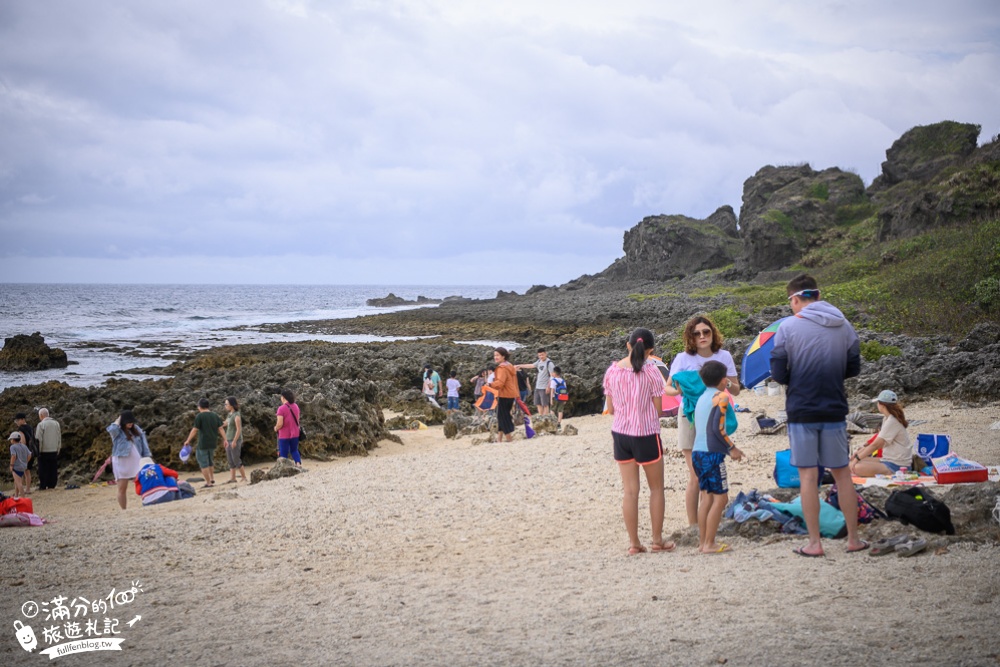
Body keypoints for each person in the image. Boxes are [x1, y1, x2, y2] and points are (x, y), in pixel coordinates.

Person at [770, 274, 866, 557]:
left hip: (801, 410)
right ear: (819, 295)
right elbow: (853, 367)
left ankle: (815, 543)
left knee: (808, 476)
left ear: (795, 299)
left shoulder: (787, 328)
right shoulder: (844, 326)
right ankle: (853, 540)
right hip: (834, 407)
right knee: (842, 475)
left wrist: (796, 376)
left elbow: (777, 373)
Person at [602, 328, 675, 556]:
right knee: (656, 489)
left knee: (630, 491)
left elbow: (610, 409)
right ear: (651, 350)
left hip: (621, 434)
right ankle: (656, 540)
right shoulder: (653, 372)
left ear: (628, 345)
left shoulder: (612, 372)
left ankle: (634, 544)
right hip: (646, 433)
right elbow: (659, 409)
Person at [664, 316, 740, 528]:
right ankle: (694, 526)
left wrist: (727, 385)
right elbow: (667, 387)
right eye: (697, 333)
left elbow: (737, 388)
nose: (702, 336)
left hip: (715, 416)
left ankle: (709, 522)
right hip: (688, 417)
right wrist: (678, 390)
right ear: (691, 336)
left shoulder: (723, 356)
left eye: (706, 332)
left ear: (713, 332)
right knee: (695, 475)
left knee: (712, 471)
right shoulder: (682, 358)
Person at [692, 361, 745, 554]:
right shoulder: (721, 397)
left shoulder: (701, 398)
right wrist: (732, 448)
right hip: (712, 454)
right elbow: (718, 428)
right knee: (720, 499)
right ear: (723, 380)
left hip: (697, 452)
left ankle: (702, 542)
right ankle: (710, 543)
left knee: (706, 498)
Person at [849, 390, 913, 477]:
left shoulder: (892, 421)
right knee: (851, 463)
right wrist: (858, 454)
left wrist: (857, 458)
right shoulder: (887, 419)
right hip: (888, 460)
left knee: (854, 467)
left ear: (882, 405)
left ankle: (890, 472)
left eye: (878, 403)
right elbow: (875, 443)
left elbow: (876, 445)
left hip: (897, 465)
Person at [107, 410, 153, 509]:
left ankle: (147, 504)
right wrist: (118, 420)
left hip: (137, 461)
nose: (130, 423)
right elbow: (111, 430)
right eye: (128, 421)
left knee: (146, 482)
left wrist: (147, 457)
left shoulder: (136, 429)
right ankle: (124, 510)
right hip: (121, 462)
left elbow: (144, 443)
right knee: (122, 488)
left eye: (131, 421)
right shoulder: (117, 430)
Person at [182, 398, 227, 488]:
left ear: (200, 407)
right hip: (212, 442)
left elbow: (195, 430)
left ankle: (208, 483)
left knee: (203, 463)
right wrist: (225, 439)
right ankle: (212, 478)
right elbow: (221, 428)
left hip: (203, 443)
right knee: (210, 461)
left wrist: (188, 440)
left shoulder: (200, 416)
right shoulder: (214, 415)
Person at [488, 348, 518, 443]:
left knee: (503, 417)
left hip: (504, 394)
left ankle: (509, 439)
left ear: (503, 356)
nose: (495, 357)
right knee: (503, 415)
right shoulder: (509, 366)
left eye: (497, 355)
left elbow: (500, 383)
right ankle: (499, 439)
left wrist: (490, 385)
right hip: (511, 394)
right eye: (494, 355)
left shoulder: (502, 368)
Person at [517, 348, 556, 416]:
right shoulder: (539, 361)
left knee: (545, 404)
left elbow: (552, 376)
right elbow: (532, 365)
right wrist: (520, 365)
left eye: (542, 355)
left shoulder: (549, 363)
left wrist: (548, 386)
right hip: (538, 386)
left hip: (544, 387)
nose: (541, 356)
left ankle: (545, 418)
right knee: (538, 403)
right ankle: (541, 417)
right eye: (539, 355)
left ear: (545, 354)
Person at [34, 408, 61, 490]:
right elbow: (59, 437)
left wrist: (38, 451)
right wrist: (58, 448)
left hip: (44, 450)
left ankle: (43, 485)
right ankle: (52, 484)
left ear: (41, 415)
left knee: (43, 469)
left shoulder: (41, 425)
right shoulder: (56, 423)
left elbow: (39, 439)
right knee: (53, 468)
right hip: (54, 449)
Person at [274, 389, 302, 467]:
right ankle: (298, 464)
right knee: (294, 450)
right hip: (295, 433)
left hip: (284, 434)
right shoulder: (296, 406)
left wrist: (276, 428)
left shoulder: (281, 409)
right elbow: (297, 419)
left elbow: (280, 423)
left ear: (283, 397)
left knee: (283, 452)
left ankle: (284, 467)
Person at [223, 396, 247, 483]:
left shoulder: (236, 415)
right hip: (228, 439)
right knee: (230, 460)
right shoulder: (230, 414)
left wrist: (234, 441)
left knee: (236, 459)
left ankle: (244, 477)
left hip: (235, 440)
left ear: (232, 405)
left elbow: (239, 429)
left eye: (226, 404)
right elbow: (225, 423)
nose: (225, 406)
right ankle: (233, 478)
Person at [13, 413, 35, 494]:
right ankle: (28, 489)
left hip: (24, 453)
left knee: (20, 472)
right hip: (31, 451)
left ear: (22, 419)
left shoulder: (21, 429)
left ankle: (18, 491)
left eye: (18, 420)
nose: (17, 422)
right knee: (27, 471)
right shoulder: (30, 427)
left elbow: (23, 442)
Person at [8, 431, 32, 497]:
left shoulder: (12, 447)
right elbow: (29, 454)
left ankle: (23, 497)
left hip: (16, 466)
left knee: (19, 483)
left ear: (13, 440)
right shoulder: (24, 446)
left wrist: (11, 465)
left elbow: (13, 456)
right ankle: (16, 495)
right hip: (23, 466)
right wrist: (25, 462)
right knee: (17, 481)